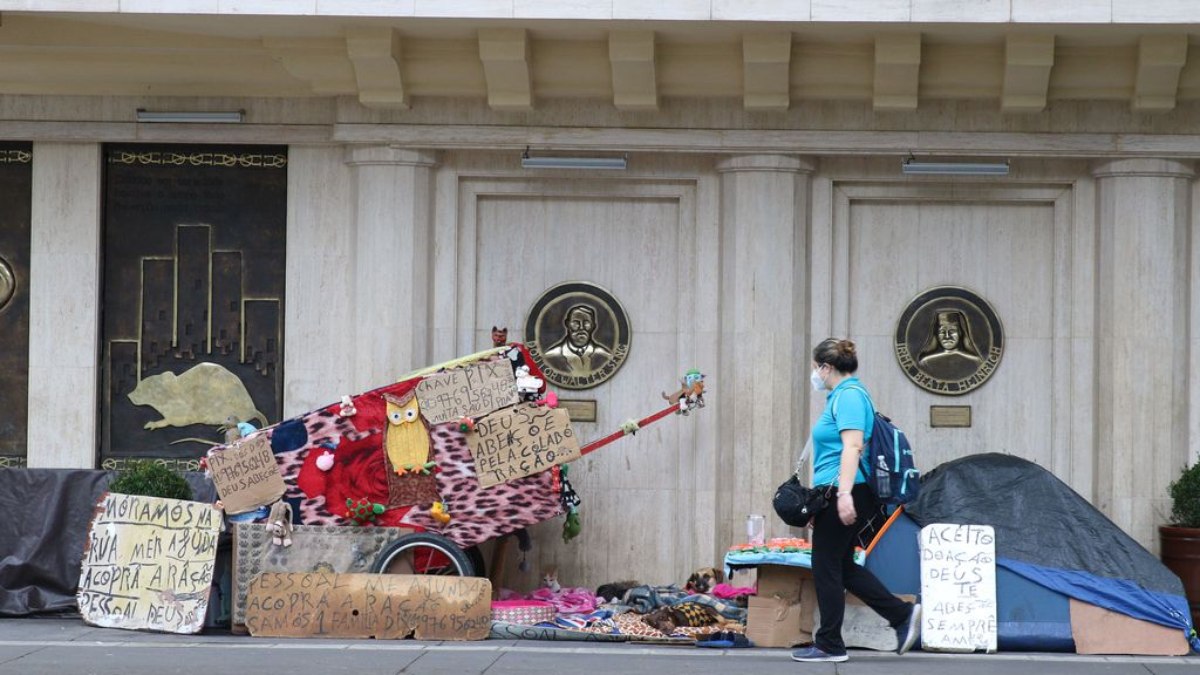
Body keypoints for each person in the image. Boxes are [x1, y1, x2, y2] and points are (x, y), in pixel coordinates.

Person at [791, 338, 922, 663]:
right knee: (842, 565)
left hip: (849, 490)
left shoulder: (849, 397)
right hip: (840, 491)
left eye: (815, 367)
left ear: (826, 367)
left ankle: (830, 645)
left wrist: (844, 496)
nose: (814, 374)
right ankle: (901, 616)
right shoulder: (843, 396)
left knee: (825, 564)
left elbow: (852, 447)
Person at [541, 305, 613, 374]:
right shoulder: (550, 356)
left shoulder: (605, 356)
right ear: (567, 324)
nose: (581, 328)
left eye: (586, 323)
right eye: (576, 323)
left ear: (593, 326)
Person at [917, 309, 982, 369]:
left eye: (952, 331)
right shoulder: (926, 361)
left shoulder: (975, 360)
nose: (947, 336)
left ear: (960, 332)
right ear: (936, 333)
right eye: (942, 331)